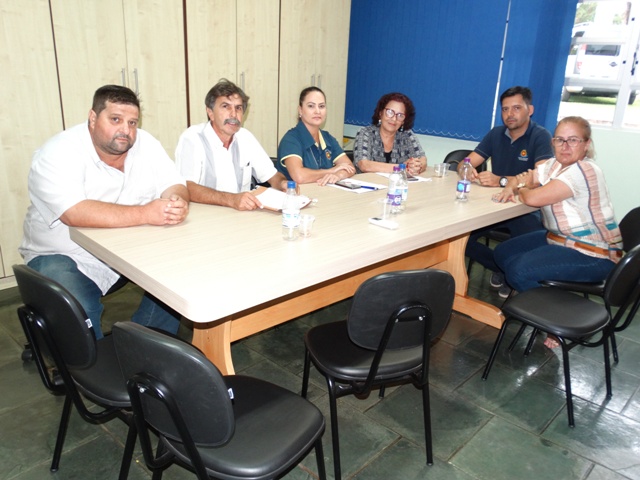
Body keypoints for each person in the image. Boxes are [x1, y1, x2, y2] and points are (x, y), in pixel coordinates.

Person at [19, 85, 190, 339]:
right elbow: (74, 212)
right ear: (93, 118)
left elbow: (174, 183)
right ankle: (92, 362)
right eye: (116, 119)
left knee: (181, 274)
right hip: (63, 253)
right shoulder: (57, 152)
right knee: (79, 311)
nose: (126, 130)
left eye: (132, 122)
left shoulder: (145, 144)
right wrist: (146, 213)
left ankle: (145, 345)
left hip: (124, 248)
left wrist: (177, 201)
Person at [493, 116, 622, 347]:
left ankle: (557, 321)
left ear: (586, 144)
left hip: (595, 253)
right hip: (561, 239)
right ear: (552, 142)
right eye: (560, 140)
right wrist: (516, 184)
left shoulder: (583, 170)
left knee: (518, 271)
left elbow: (532, 198)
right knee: (503, 253)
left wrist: (523, 187)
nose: (565, 146)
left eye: (573, 140)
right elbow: (521, 178)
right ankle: (537, 297)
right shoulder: (554, 165)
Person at [459, 86, 554, 297]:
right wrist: (466, 168)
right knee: (458, 238)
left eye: (516, 108)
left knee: (528, 239)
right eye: (505, 109)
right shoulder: (496, 133)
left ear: (530, 110)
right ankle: (502, 268)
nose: (510, 114)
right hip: (494, 205)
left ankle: (513, 271)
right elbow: (466, 161)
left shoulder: (540, 136)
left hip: (525, 208)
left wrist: (500, 180)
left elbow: (540, 179)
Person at [175, 79, 290, 211]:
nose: (234, 114)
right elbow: (186, 187)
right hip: (205, 217)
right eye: (226, 106)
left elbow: (272, 175)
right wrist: (231, 199)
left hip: (240, 215)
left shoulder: (245, 137)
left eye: (238, 108)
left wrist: (282, 183)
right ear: (210, 112)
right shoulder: (193, 138)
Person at [277, 86, 356, 185]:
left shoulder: (328, 138)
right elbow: (299, 177)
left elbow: (350, 167)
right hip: (296, 193)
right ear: (300, 110)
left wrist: (338, 175)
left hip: (323, 191)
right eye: (311, 106)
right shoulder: (291, 139)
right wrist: (331, 171)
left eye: (321, 106)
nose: (317, 111)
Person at [353, 92, 427, 176]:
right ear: (380, 113)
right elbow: (364, 165)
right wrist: (401, 167)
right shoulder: (366, 133)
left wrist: (416, 166)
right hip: (367, 182)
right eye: (390, 112)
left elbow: (422, 159)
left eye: (400, 115)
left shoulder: (407, 134)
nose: (394, 119)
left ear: (403, 121)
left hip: (396, 183)